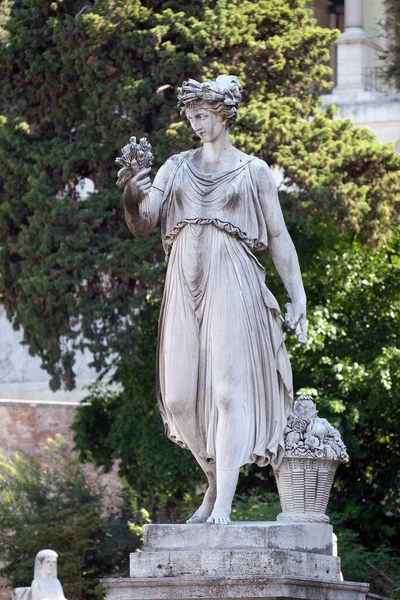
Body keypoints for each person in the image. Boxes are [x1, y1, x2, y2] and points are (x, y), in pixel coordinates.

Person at [122, 75, 307, 524]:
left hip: (233, 277)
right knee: (181, 396)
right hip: (183, 279)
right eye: (190, 117)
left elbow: (278, 235)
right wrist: (131, 194)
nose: (196, 125)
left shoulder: (253, 171)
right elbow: (143, 223)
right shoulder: (175, 166)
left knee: (227, 392)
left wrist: (297, 296)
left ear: (224, 112)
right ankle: (212, 479)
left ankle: (224, 501)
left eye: (203, 116)